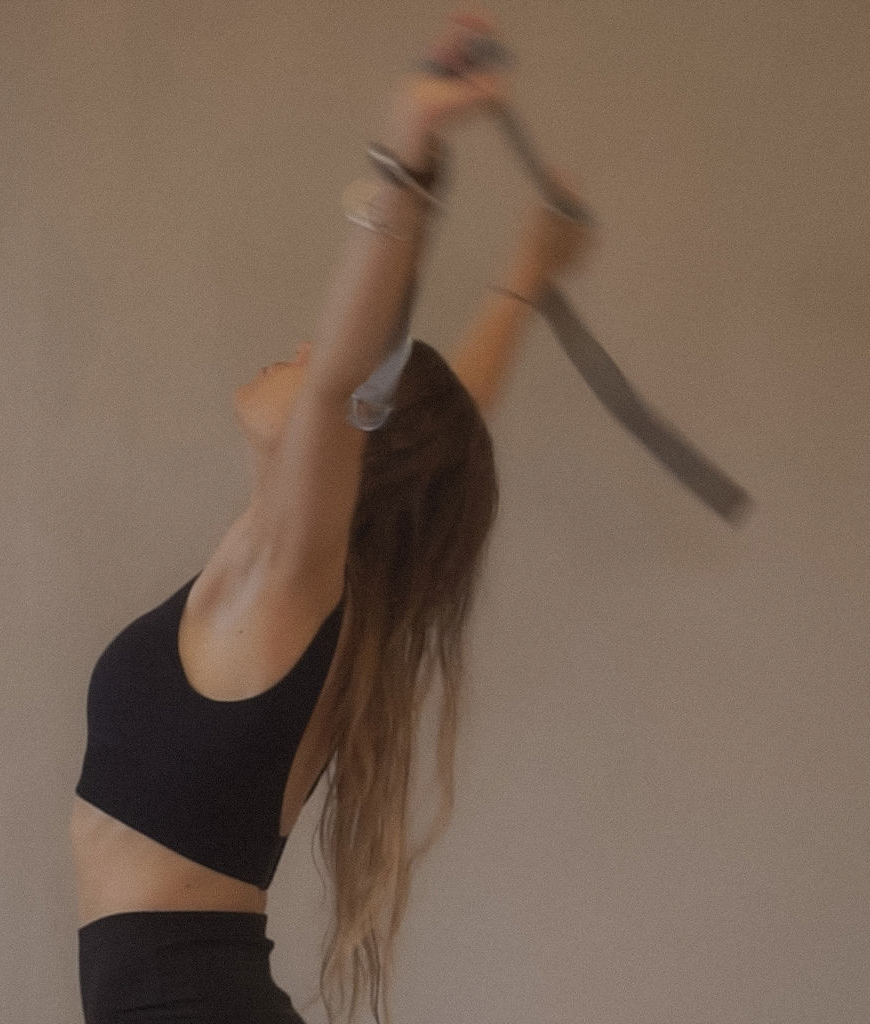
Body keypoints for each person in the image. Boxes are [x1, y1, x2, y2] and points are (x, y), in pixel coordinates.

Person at [71, 11, 591, 1024]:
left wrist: (409, 143)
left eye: (333, 372)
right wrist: (527, 273)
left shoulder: (287, 583)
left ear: (360, 439)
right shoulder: (297, 576)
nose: (304, 356)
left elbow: (349, 389)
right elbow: (445, 429)